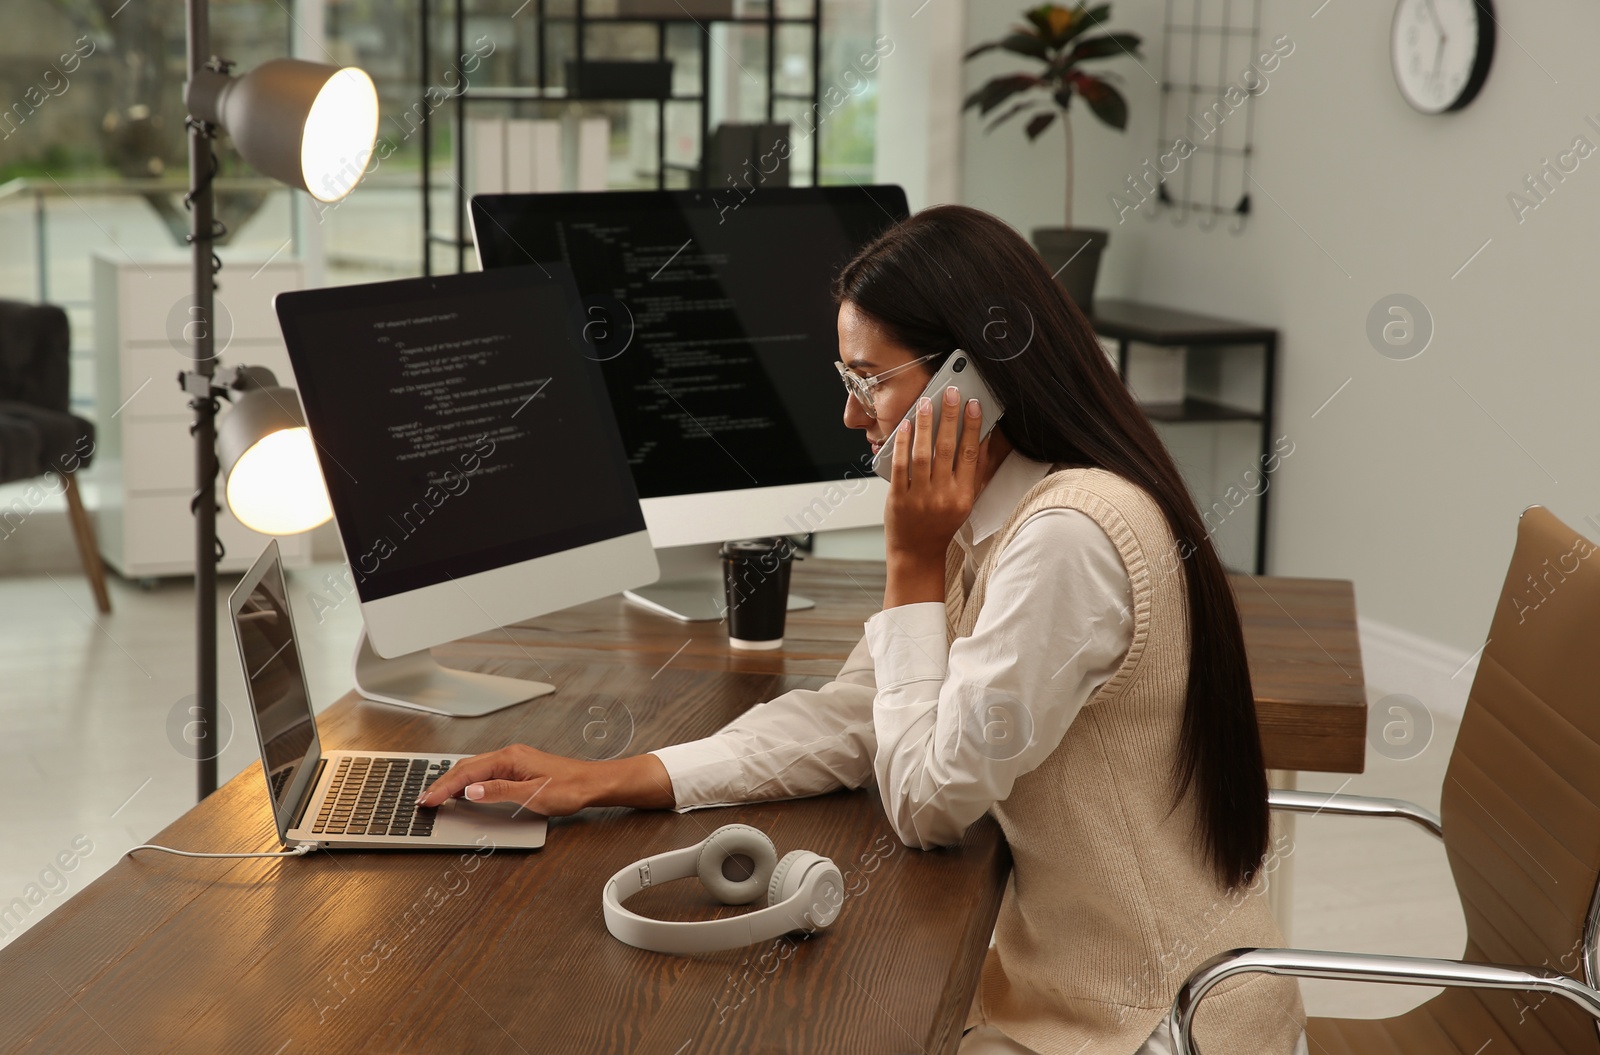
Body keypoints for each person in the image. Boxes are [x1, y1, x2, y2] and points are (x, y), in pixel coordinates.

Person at [417, 204, 1307, 1055]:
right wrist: (611, 778)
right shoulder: (996, 518)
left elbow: (925, 801)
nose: (850, 415)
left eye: (866, 380)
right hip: (1064, 996)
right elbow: (856, 715)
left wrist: (910, 561)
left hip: (1149, 1022)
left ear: (971, 378)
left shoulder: (1065, 540)